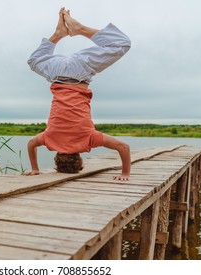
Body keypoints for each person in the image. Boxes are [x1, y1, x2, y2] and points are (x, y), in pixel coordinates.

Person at [24, 8, 131, 180]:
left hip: (79, 71)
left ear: (78, 157)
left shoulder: (89, 139)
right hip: (56, 73)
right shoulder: (49, 139)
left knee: (122, 44)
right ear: (57, 157)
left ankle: (79, 29)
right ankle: (58, 35)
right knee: (33, 61)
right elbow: (30, 144)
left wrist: (125, 173)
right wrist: (35, 168)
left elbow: (123, 147)